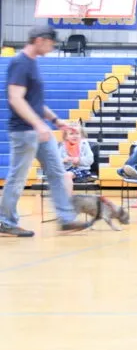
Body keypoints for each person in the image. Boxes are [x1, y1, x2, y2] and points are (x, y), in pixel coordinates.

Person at [1, 25, 87, 236]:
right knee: (17, 177)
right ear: (40, 40)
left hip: (40, 130)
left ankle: (66, 218)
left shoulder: (32, 63)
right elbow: (16, 98)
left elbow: (35, 103)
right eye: (51, 43)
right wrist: (38, 124)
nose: (52, 47)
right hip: (24, 131)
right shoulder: (20, 63)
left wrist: (56, 121)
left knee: (57, 173)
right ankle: (6, 221)